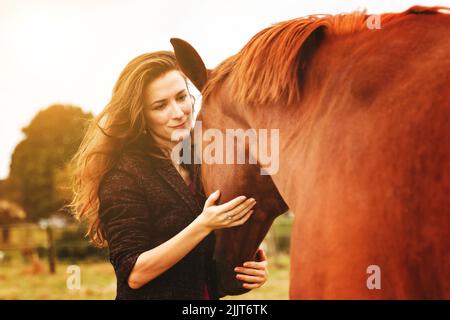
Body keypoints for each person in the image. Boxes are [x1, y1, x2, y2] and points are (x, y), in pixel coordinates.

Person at [70, 51, 268, 299]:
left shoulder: (201, 159)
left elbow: (207, 271)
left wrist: (250, 272)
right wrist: (203, 224)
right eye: (160, 106)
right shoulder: (123, 176)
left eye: (181, 97)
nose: (178, 112)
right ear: (141, 116)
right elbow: (133, 273)